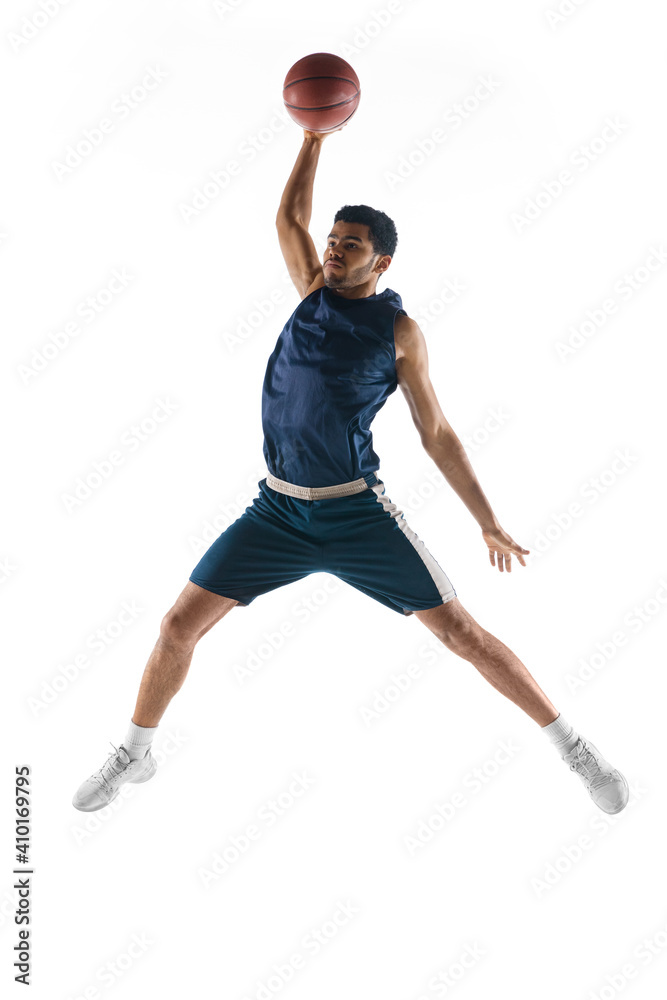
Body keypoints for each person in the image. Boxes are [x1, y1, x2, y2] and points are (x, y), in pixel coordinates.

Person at [72, 128, 628, 816]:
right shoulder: (310, 293)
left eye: (351, 246)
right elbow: (287, 219)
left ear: (381, 262)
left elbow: (437, 432)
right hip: (275, 513)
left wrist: (486, 522)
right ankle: (135, 750)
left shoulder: (398, 333)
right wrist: (311, 137)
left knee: (462, 635)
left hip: (356, 514)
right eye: (332, 241)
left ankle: (574, 748)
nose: (333, 252)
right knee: (177, 625)